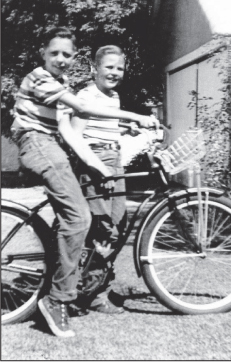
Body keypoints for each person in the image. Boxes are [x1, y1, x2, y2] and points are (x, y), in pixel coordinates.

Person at [11, 27, 159, 338]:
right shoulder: (40, 78)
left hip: (49, 142)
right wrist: (136, 117)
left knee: (78, 219)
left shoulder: (59, 83)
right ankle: (58, 299)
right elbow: (82, 110)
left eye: (67, 54)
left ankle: (69, 287)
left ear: (74, 57)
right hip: (36, 142)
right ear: (42, 52)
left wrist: (95, 163)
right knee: (80, 218)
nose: (61, 59)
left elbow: (65, 130)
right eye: (55, 53)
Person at [70, 45, 157, 314]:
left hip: (114, 159)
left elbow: (103, 123)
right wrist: (96, 168)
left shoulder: (113, 96)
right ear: (94, 69)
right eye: (108, 67)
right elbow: (77, 133)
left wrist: (124, 127)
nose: (114, 73)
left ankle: (97, 287)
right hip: (95, 163)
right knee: (102, 230)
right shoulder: (86, 95)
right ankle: (90, 294)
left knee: (117, 225)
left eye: (119, 68)